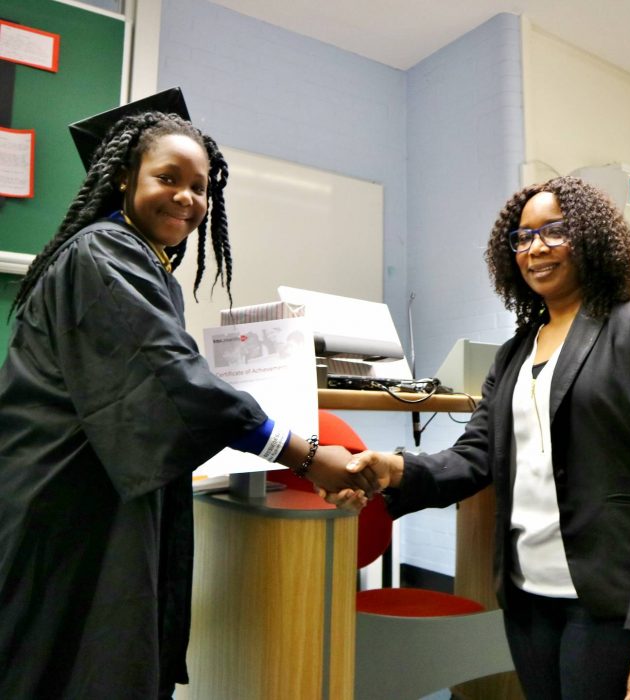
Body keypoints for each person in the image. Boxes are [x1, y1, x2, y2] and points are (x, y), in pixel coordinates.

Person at [0, 90, 371, 700]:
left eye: (200, 187)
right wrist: (305, 455)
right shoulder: (104, 250)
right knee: (66, 660)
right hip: (64, 498)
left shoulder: (140, 260)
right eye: (168, 178)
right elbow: (174, 379)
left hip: (99, 487)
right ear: (124, 177)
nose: (187, 198)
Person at [324, 176, 630, 700]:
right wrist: (395, 468)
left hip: (611, 601)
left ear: (590, 237)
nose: (535, 248)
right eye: (522, 237)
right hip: (528, 599)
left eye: (554, 231)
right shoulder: (514, 353)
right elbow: (475, 456)